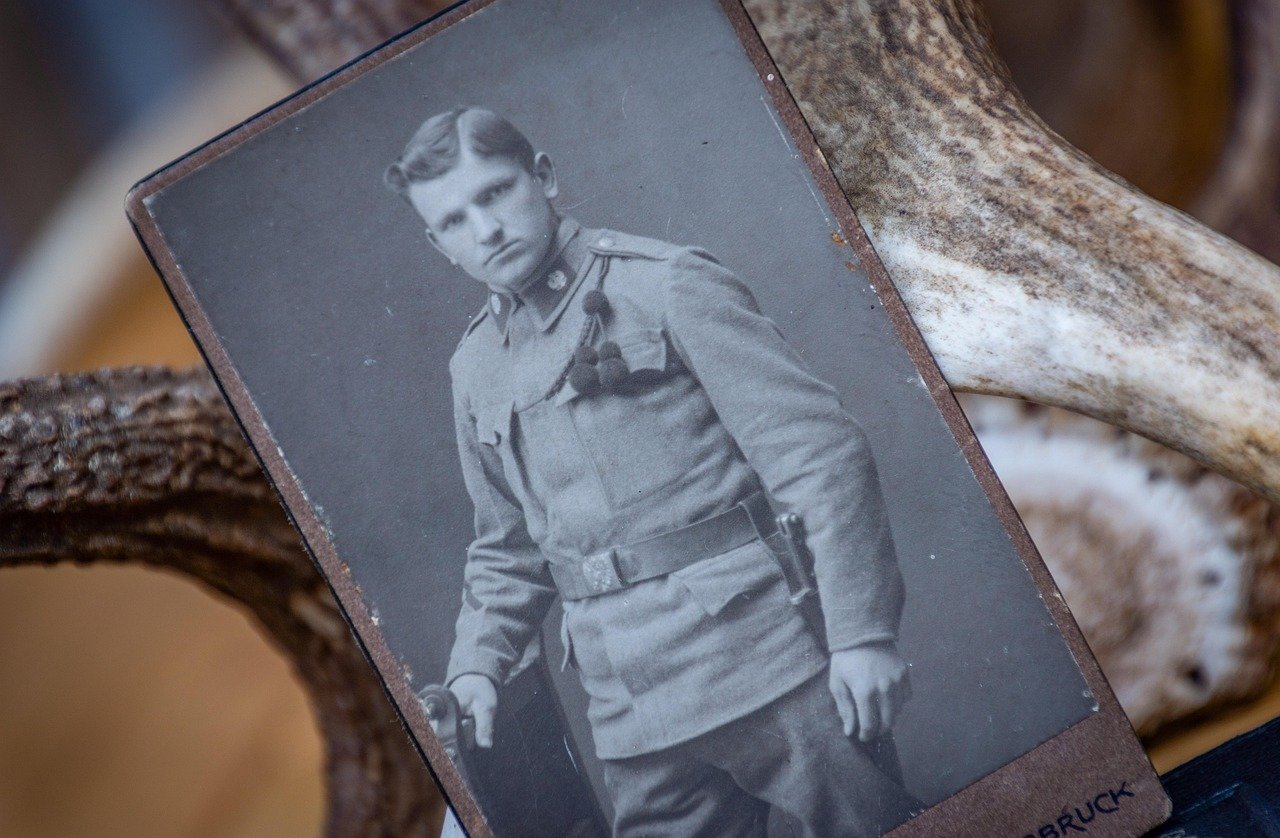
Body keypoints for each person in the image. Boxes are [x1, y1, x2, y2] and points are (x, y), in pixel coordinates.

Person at [385, 107, 919, 836]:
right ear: (436, 244)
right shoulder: (474, 367)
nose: (485, 231)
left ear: (543, 176)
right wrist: (477, 666)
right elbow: (508, 548)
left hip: (771, 668)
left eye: (496, 194)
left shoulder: (665, 286)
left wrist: (862, 634)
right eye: (453, 221)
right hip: (630, 709)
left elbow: (821, 455)